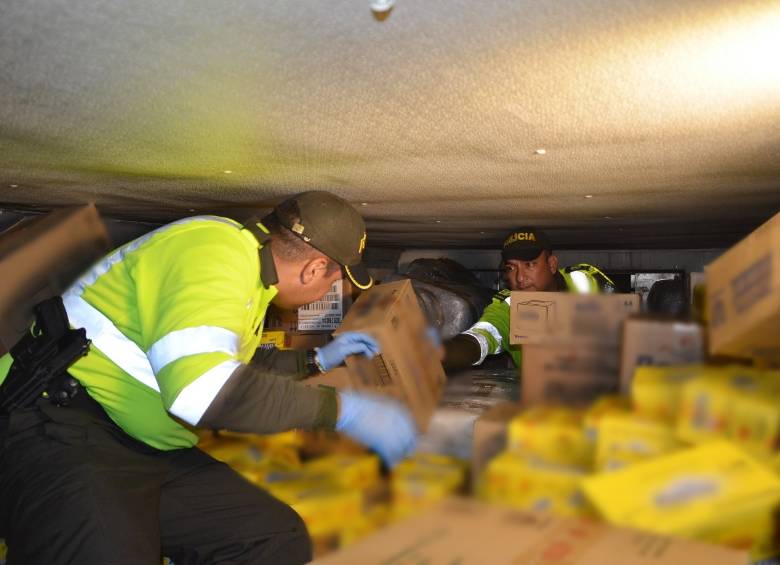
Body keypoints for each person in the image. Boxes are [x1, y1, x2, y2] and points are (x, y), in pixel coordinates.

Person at [0, 191, 417, 565]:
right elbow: (203, 393)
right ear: (314, 269)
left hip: (138, 446)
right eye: (336, 279)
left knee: (271, 538)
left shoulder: (247, 273)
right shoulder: (215, 255)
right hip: (58, 429)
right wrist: (339, 410)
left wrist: (314, 361)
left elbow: (224, 365)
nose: (332, 287)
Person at [442, 227, 614, 373]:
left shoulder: (585, 280)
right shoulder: (507, 306)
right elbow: (480, 338)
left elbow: (627, 325)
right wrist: (441, 353)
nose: (520, 278)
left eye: (529, 264)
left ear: (552, 264)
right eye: (511, 267)